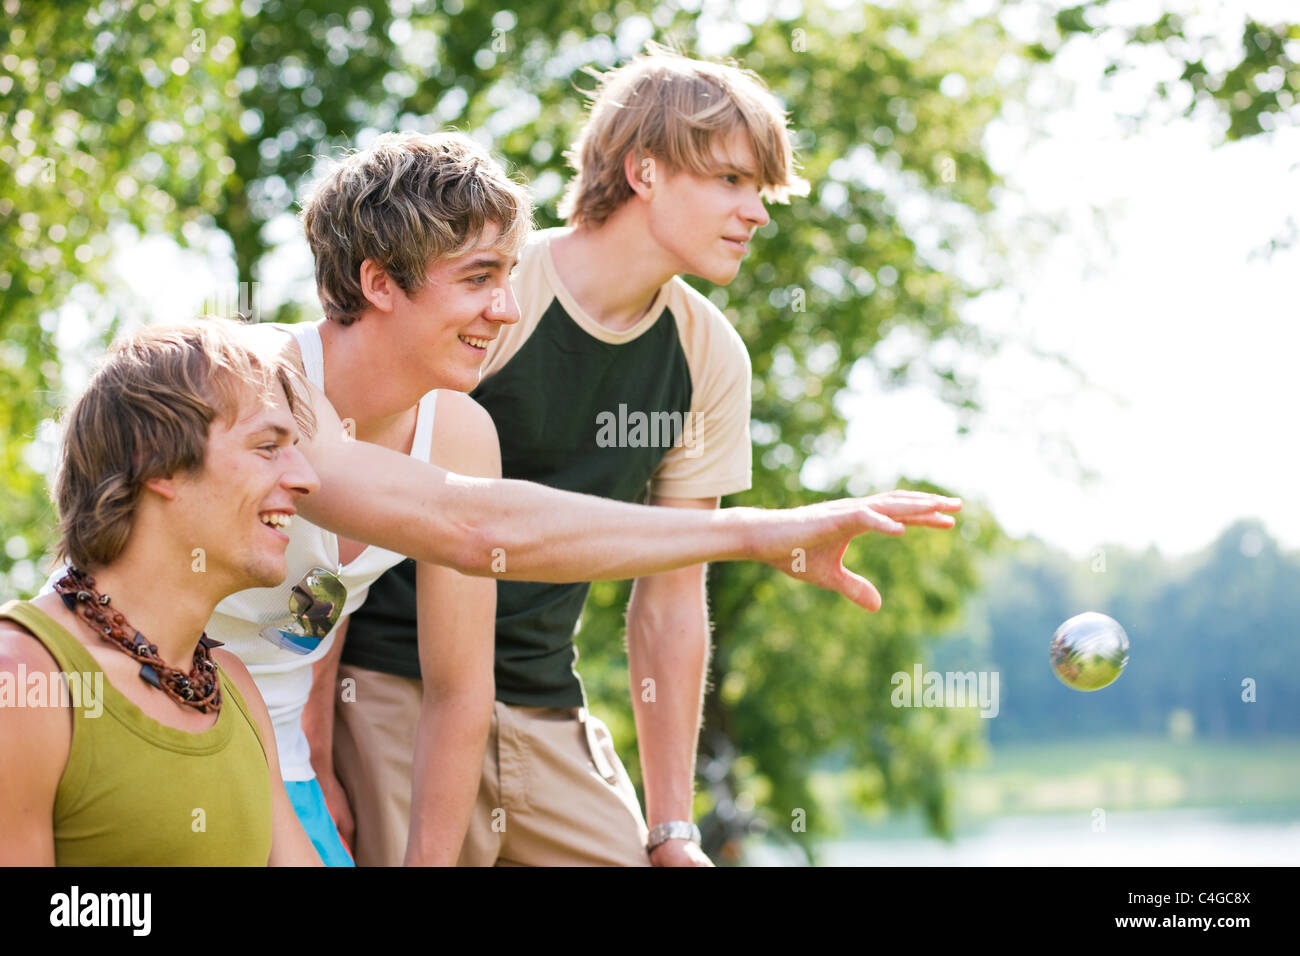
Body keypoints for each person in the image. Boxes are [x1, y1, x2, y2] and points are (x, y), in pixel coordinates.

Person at [213, 126, 957, 866]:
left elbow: (461, 692)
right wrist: (757, 533)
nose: (504, 310)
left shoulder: (461, 428)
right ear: (380, 282)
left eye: (507, 277)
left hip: (285, 771)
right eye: (478, 279)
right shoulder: (258, 384)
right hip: (170, 730)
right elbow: (473, 526)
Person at [0, 320, 323, 865]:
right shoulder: (26, 679)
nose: (307, 478)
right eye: (268, 447)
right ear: (159, 460)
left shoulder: (236, 690)